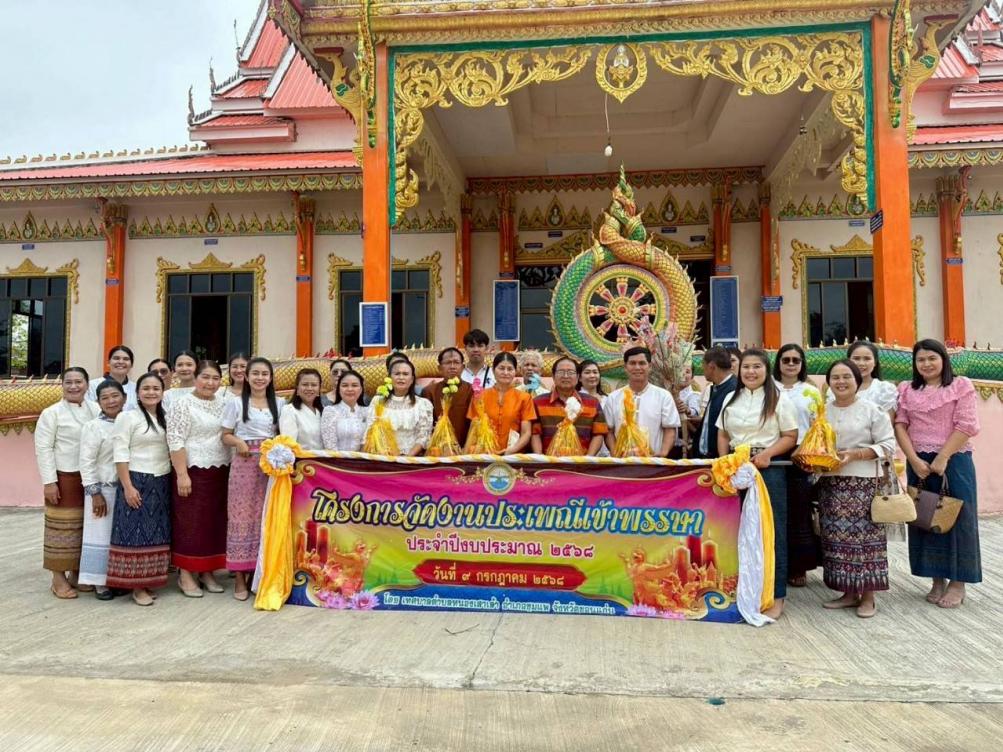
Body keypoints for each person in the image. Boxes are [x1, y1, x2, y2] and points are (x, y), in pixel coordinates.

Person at [895, 339, 981, 609]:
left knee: (959, 518)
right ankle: (936, 579)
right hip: (919, 462)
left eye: (932, 358)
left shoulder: (960, 385)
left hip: (954, 460)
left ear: (943, 359)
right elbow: (900, 425)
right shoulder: (906, 389)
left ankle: (958, 583)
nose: (926, 364)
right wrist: (913, 460)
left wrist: (943, 457)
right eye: (921, 359)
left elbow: (967, 425)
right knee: (926, 518)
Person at [716, 348, 798, 619]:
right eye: (746, 367)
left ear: (766, 370)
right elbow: (723, 434)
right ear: (739, 370)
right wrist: (724, 462)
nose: (751, 372)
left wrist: (767, 454)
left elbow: (790, 435)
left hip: (767, 470)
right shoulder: (730, 397)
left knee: (770, 532)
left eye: (757, 367)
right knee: (736, 530)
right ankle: (739, 590)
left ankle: (775, 595)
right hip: (735, 469)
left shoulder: (779, 398)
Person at [818, 360, 896, 618]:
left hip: (863, 483)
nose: (841, 382)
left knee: (865, 541)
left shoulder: (872, 410)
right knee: (837, 540)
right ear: (829, 382)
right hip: (831, 483)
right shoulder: (822, 412)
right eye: (835, 377)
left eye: (846, 377)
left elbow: (888, 445)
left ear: (857, 380)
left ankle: (869, 597)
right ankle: (849, 593)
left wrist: (856, 454)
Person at [107, 372, 173, 607]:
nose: (151, 392)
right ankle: (136, 586)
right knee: (135, 533)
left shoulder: (165, 417)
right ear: (137, 393)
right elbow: (120, 453)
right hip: (136, 479)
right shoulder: (128, 417)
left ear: (162, 392)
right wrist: (127, 486)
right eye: (146, 388)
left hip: (162, 480)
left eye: (156, 388)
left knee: (155, 532)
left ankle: (148, 581)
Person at [35, 367, 100, 599]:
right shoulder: (51, 413)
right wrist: (49, 482)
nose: (74, 386)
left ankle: (77, 573)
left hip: (91, 478)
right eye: (68, 382)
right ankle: (58, 578)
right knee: (61, 530)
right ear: (62, 385)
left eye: (78, 382)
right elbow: (44, 449)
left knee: (85, 528)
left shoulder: (96, 409)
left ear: (87, 385)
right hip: (64, 478)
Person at [166, 360, 230, 598]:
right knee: (190, 523)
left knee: (213, 522)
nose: (210, 383)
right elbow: (175, 439)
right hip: (192, 470)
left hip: (220, 469)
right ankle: (185, 573)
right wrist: (182, 474)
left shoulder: (224, 403)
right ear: (196, 378)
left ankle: (207, 571)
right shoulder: (182, 403)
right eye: (205, 377)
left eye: (215, 378)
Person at [221, 357, 282, 600]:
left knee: (266, 516)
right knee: (241, 517)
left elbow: (283, 435)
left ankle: (260, 575)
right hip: (244, 465)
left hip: (271, 466)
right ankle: (239, 576)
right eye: (255, 373)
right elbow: (225, 435)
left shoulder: (280, 403)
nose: (259, 378)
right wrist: (238, 442)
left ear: (270, 378)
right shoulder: (236, 403)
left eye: (264, 374)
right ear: (246, 376)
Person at [774, 343, 823, 588]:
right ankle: (774, 565)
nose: (791, 364)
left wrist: (810, 455)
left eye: (796, 360)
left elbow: (818, 426)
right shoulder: (768, 388)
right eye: (786, 360)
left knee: (799, 511)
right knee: (774, 511)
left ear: (802, 364)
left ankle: (798, 567)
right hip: (773, 454)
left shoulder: (811, 392)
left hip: (802, 455)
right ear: (778, 363)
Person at [77, 379, 127, 600]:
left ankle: (117, 579)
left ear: (124, 398)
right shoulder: (93, 427)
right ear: (98, 402)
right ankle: (99, 583)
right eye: (105, 398)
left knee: (119, 537)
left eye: (115, 396)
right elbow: (86, 461)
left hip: (126, 490)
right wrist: (95, 493)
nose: (111, 401)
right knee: (99, 536)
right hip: (102, 490)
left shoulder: (131, 421)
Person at [603, 346, 679, 457]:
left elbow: (670, 429)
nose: (637, 367)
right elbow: (608, 431)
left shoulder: (663, 396)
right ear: (625, 367)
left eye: (642, 363)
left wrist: (663, 453)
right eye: (632, 363)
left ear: (650, 367)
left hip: (653, 461)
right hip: (622, 462)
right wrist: (615, 454)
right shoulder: (613, 398)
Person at [531, 356, 607, 455]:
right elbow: (535, 433)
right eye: (561, 372)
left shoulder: (593, 403)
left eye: (570, 372)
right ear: (553, 376)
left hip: (582, 462)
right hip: (548, 461)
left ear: (578, 377)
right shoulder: (538, 402)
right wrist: (540, 458)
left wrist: (588, 458)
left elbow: (598, 433)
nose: (566, 376)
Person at [467, 352, 536, 454]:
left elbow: (526, 432)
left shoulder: (524, 398)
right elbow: (473, 429)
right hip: (484, 454)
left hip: (513, 455)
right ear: (493, 370)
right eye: (501, 368)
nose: (505, 372)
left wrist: (511, 451)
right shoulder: (480, 396)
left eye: (510, 369)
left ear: (515, 371)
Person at [827, 341, 898, 417]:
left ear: (875, 362)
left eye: (867, 359)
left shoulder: (885, 389)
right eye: (856, 358)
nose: (861, 363)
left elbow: (887, 422)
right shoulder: (837, 387)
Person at [423, 347, 473, 448]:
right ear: (439, 368)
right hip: (437, 448)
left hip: (465, 448)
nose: (452, 367)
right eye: (448, 363)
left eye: (456, 362)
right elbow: (425, 425)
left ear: (463, 367)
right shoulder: (429, 391)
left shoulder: (471, 391)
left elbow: (474, 424)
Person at [382, 358, 433, 456]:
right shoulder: (378, 402)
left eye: (405, 374)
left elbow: (423, 437)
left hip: (411, 459)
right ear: (389, 377)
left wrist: (408, 457)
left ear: (412, 379)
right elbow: (372, 432)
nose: (401, 377)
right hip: (383, 457)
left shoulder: (423, 404)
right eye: (397, 374)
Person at [694, 347, 737, 459]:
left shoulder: (734, 390)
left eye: (703, 365)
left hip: (720, 458)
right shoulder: (717, 387)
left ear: (712, 366)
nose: (702, 369)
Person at [321, 369, 370, 451]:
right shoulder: (330, 411)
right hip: (336, 458)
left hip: (365, 458)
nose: (350, 389)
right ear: (339, 389)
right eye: (345, 385)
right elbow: (330, 447)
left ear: (361, 389)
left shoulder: (368, 412)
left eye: (354, 385)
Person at [280, 368, 324, 450]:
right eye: (305, 384)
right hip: (301, 457)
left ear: (319, 389)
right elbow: (288, 445)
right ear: (297, 388)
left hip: (324, 457)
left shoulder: (322, 411)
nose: (309, 388)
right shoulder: (290, 410)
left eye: (314, 385)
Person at [86, 345, 137, 409]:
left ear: (131, 364)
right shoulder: (92, 385)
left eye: (126, 359)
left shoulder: (136, 388)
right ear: (108, 362)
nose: (121, 362)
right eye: (116, 358)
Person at [673, 363, 702, 458]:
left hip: (684, 439)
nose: (683, 375)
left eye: (687, 372)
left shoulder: (694, 395)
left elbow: (694, 411)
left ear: (692, 377)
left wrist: (687, 410)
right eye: (680, 371)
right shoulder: (666, 393)